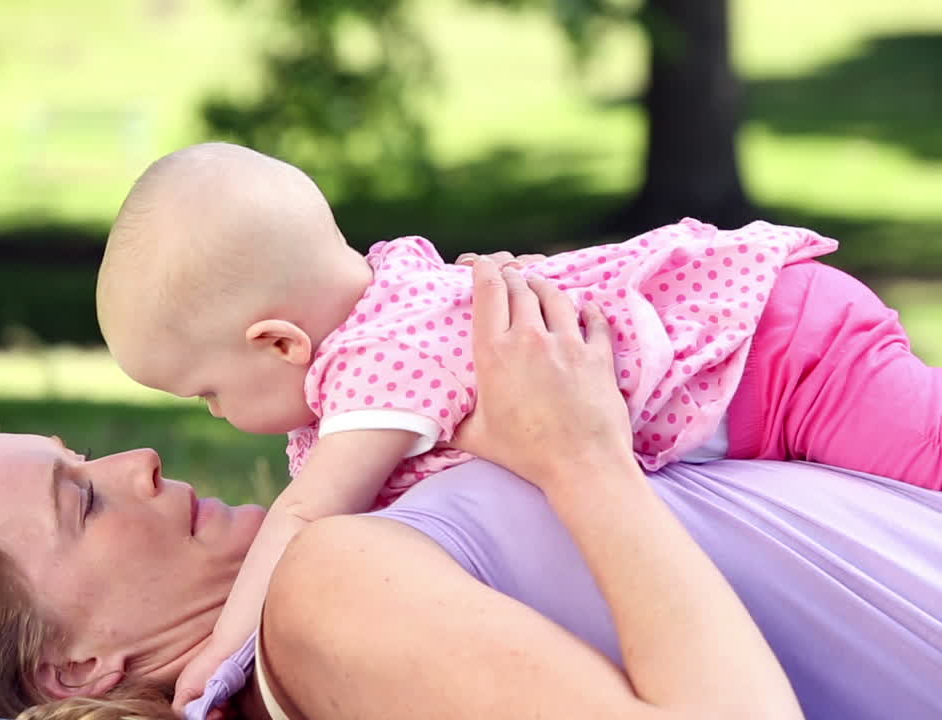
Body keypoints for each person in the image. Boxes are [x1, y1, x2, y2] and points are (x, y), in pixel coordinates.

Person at [0, 261, 942, 720]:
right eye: (80, 499)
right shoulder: (326, 601)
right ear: (68, 667)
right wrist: (577, 460)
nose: (134, 464)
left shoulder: (349, 545)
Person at [93, 142, 942, 709]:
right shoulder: (391, 301)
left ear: (277, 342)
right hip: (761, 370)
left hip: (780, 355)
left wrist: (223, 652)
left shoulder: (373, 371)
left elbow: (306, 513)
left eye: (207, 393)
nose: (207, 424)